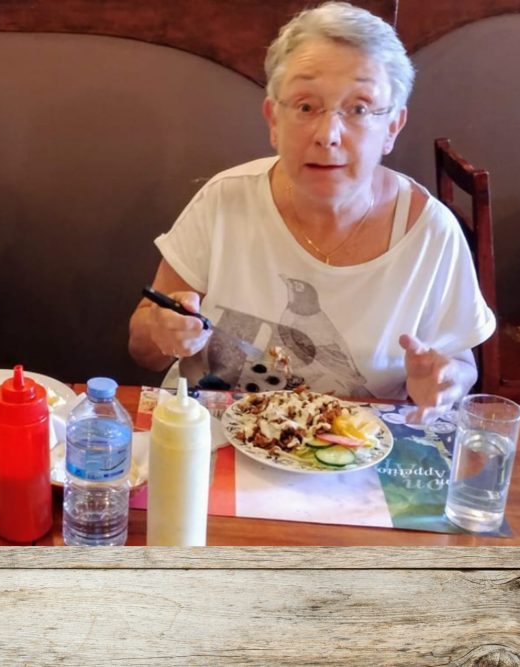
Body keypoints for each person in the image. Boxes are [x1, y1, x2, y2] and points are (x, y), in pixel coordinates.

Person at [128, 2, 494, 422]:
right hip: (211, 436)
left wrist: (446, 381)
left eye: (359, 108)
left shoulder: (430, 232)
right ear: (274, 120)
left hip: (356, 448)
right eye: (305, 106)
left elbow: (460, 364)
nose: (328, 135)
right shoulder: (224, 201)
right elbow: (142, 349)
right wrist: (161, 332)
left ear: (392, 126)